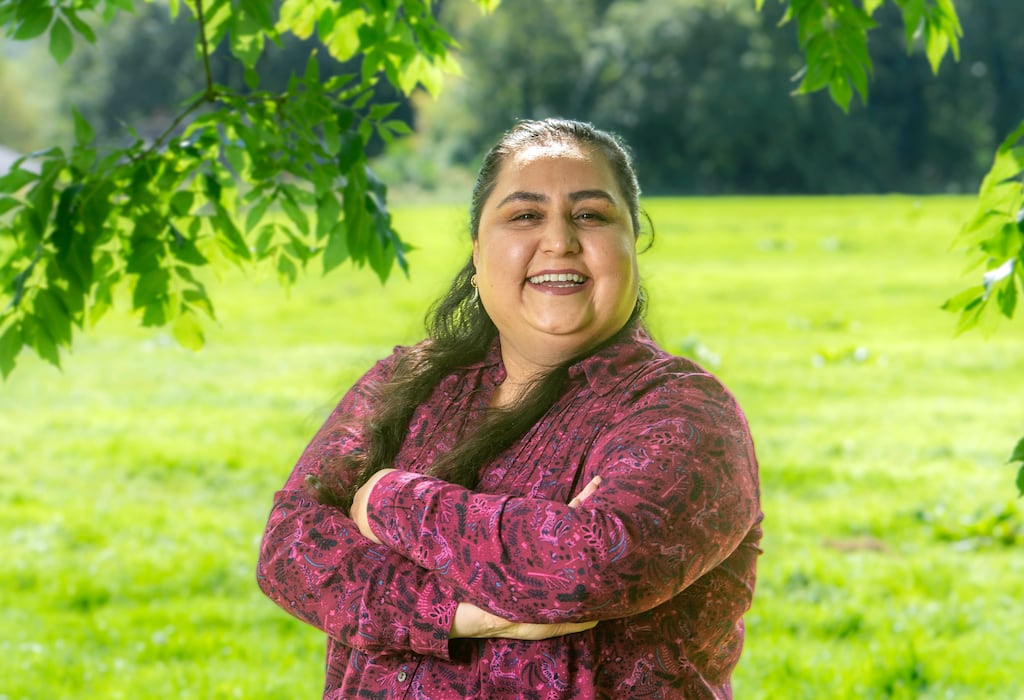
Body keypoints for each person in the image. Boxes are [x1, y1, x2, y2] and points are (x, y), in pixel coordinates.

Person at [256, 118, 763, 699]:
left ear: (633, 242)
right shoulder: (409, 380)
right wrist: (457, 612)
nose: (559, 241)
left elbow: (589, 563)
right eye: (524, 215)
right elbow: (289, 546)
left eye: (591, 215)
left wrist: (384, 498)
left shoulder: (685, 413)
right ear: (477, 252)